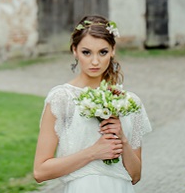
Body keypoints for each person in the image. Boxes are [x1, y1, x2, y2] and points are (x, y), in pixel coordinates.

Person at [33, 15, 152, 192]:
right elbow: (40, 171)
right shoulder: (62, 98)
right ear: (74, 50)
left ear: (112, 50)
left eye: (102, 52)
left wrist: (123, 139)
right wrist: (93, 152)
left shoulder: (129, 102)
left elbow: (135, 176)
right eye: (86, 52)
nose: (95, 61)